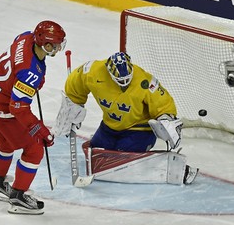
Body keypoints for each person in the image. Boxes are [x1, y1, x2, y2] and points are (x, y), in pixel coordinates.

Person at [54, 52, 198, 185]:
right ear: (109, 72)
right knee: (97, 151)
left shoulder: (145, 81)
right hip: (110, 127)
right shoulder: (93, 71)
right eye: (119, 80)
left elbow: (164, 104)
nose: (124, 84)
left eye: (127, 79)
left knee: (122, 155)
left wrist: (166, 120)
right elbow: (75, 83)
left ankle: (174, 168)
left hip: (139, 129)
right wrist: (73, 106)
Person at [0, 20, 66, 215]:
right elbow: (18, 107)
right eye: (56, 44)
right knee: (35, 148)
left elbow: (19, 66)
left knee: (6, 141)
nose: (59, 48)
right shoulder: (29, 73)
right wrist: (39, 130)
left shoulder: (26, 36)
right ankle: (18, 197)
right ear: (46, 44)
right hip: (3, 106)